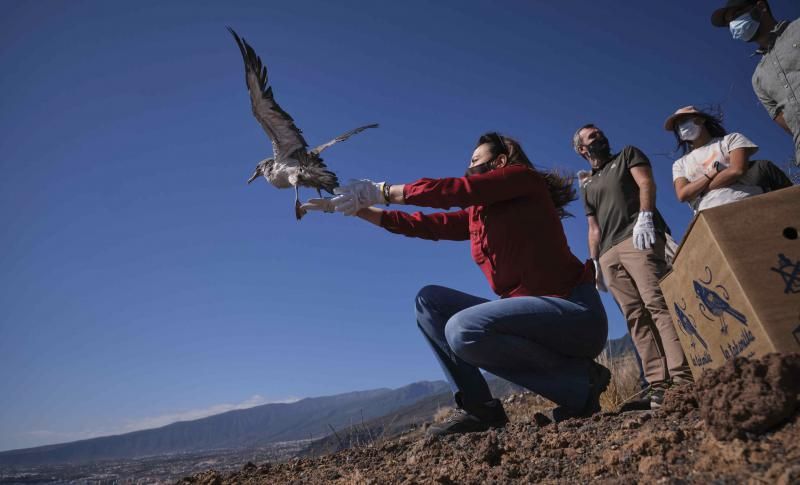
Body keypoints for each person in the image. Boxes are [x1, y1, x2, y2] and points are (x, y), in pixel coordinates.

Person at [303, 133, 610, 435]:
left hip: (574, 315)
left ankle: (579, 383)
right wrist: (357, 209)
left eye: (476, 161)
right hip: (530, 322)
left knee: (463, 330)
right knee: (429, 302)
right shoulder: (479, 216)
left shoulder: (523, 179)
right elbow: (424, 225)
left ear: (500, 163)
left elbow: (457, 191)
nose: (469, 167)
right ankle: (480, 409)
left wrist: (381, 191)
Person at [573, 124, 691, 410]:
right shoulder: (587, 184)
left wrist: (646, 217)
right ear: (581, 149)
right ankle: (657, 384)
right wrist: (596, 262)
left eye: (600, 133)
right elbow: (593, 227)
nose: (599, 137)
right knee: (635, 317)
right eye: (592, 137)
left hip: (638, 237)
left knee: (656, 304)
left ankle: (683, 378)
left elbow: (646, 184)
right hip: (609, 253)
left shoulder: (627, 156)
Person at [711, 0, 800, 164]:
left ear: (760, 7)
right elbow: (783, 120)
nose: (733, 24)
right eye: (730, 22)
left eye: (736, 15)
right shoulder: (758, 78)